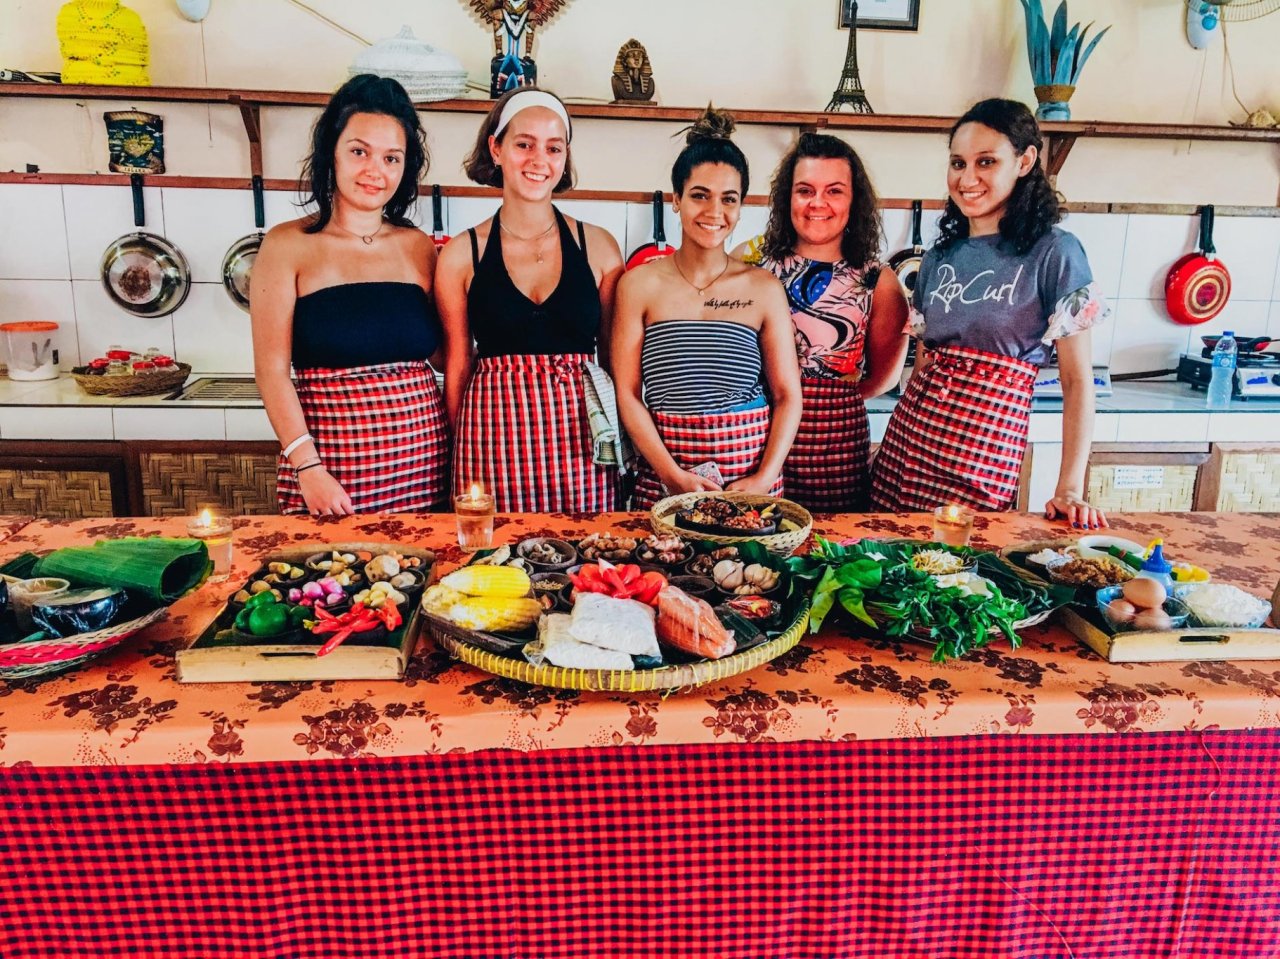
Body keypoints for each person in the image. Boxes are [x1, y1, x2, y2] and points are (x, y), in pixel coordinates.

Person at [868, 98, 1109, 528]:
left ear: (1024, 161)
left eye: (986, 162)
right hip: (906, 451)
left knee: (961, 577)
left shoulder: (1056, 253)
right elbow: (923, 365)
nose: (968, 178)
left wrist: (1069, 488)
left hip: (982, 459)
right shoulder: (941, 257)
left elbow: (1077, 380)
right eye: (958, 163)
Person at [252, 74, 448, 516]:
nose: (375, 171)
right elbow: (271, 372)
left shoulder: (418, 246)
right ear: (332, 154)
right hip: (331, 474)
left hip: (424, 466)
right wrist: (308, 467)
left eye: (391, 158)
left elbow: (442, 355)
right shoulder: (287, 245)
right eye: (359, 151)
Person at [436, 87, 625, 513]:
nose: (539, 160)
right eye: (524, 144)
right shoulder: (461, 253)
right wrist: (455, 450)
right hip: (490, 439)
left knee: (586, 562)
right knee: (491, 565)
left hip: (582, 443)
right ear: (496, 148)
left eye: (553, 148)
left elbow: (614, 363)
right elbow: (458, 365)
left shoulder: (598, 247)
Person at [614, 107, 802, 509]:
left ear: (740, 207)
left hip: (749, 476)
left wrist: (763, 479)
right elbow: (627, 394)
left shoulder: (763, 289)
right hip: (665, 475)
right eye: (700, 195)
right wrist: (671, 475)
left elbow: (788, 395)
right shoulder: (637, 285)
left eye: (728, 199)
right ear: (677, 201)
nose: (715, 212)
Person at [734, 132, 908, 511]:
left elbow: (885, 377)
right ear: (787, 198)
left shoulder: (878, 280)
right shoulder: (747, 262)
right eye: (805, 190)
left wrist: (829, 402)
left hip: (835, 451)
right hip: (752, 439)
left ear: (854, 200)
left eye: (834, 191)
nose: (818, 203)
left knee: (829, 556)